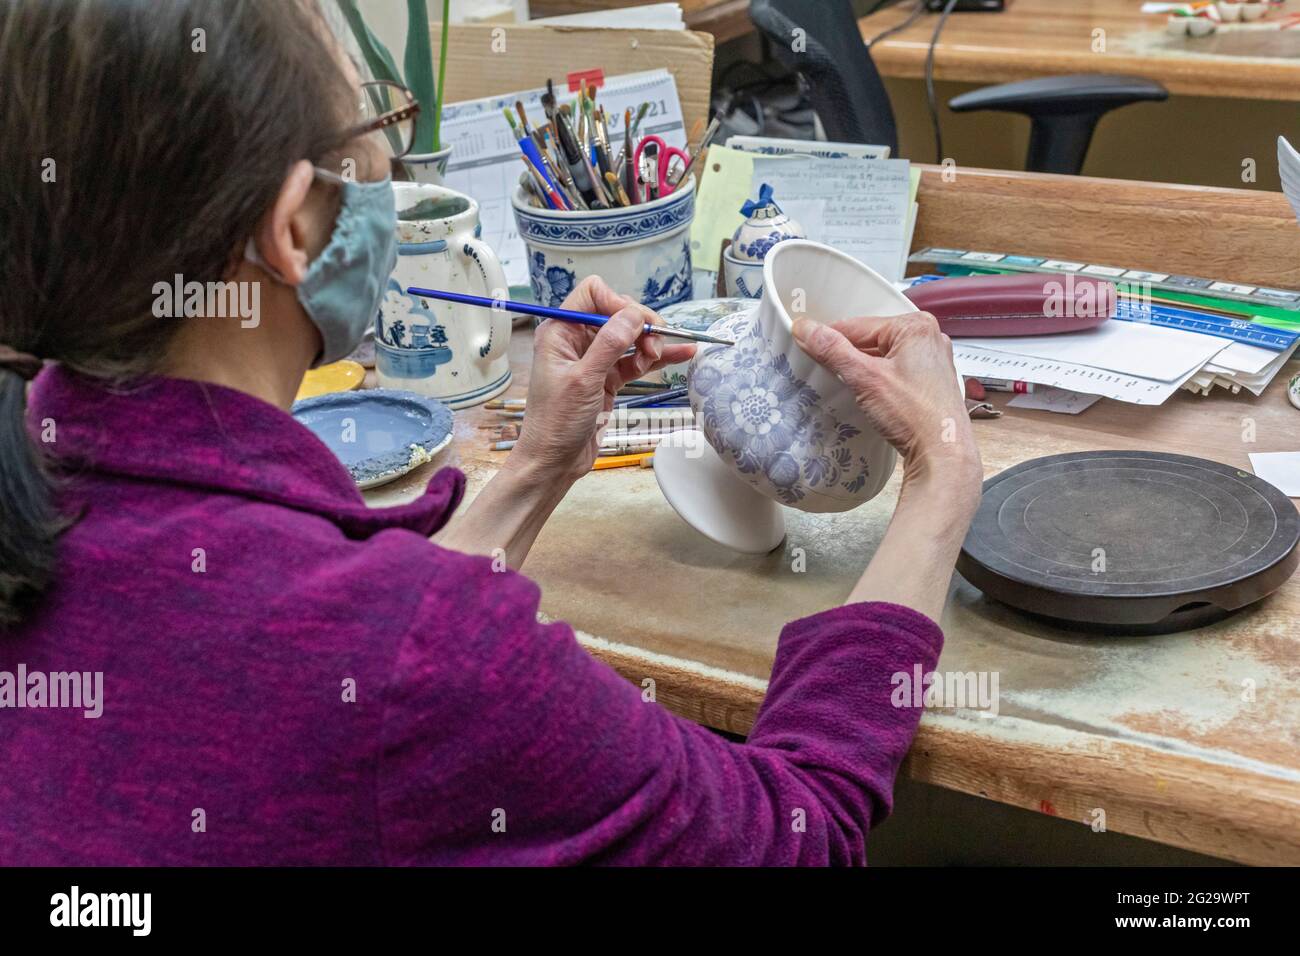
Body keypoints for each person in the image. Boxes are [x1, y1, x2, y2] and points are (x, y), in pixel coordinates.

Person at [0, 0, 982, 865]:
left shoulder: (45, 489)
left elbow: (357, 664)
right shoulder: (420, 655)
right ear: (294, 229)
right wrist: (940, 476)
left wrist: (537, 465)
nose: (387, 161)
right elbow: (793, 832)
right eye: (378, 124)